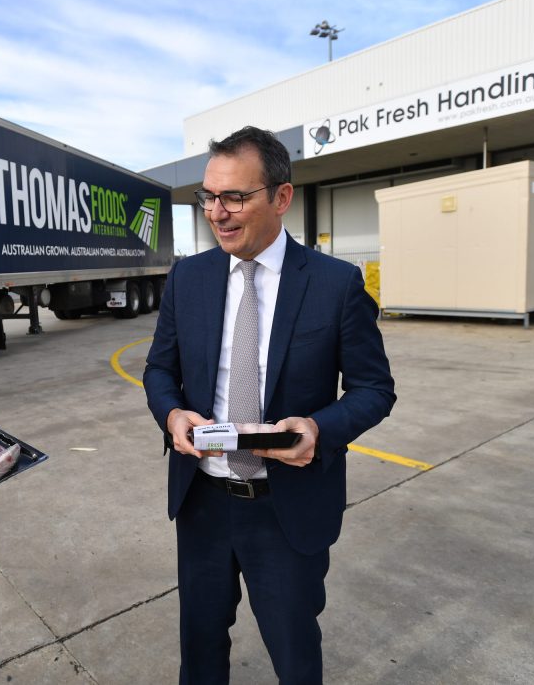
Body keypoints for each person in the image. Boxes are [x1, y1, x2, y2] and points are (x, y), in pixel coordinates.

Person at [144, 126, 396, 684]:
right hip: (202, 502)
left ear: (281, 197)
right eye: (208, 196)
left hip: (287, 508)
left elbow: (375, 389)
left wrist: (318, 428)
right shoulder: (189, 277)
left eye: (235, 196)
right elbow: (160, 368)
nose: (218, 212)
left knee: (294, 654)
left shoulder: (335, 285)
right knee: (200, 650)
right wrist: (171, 413)